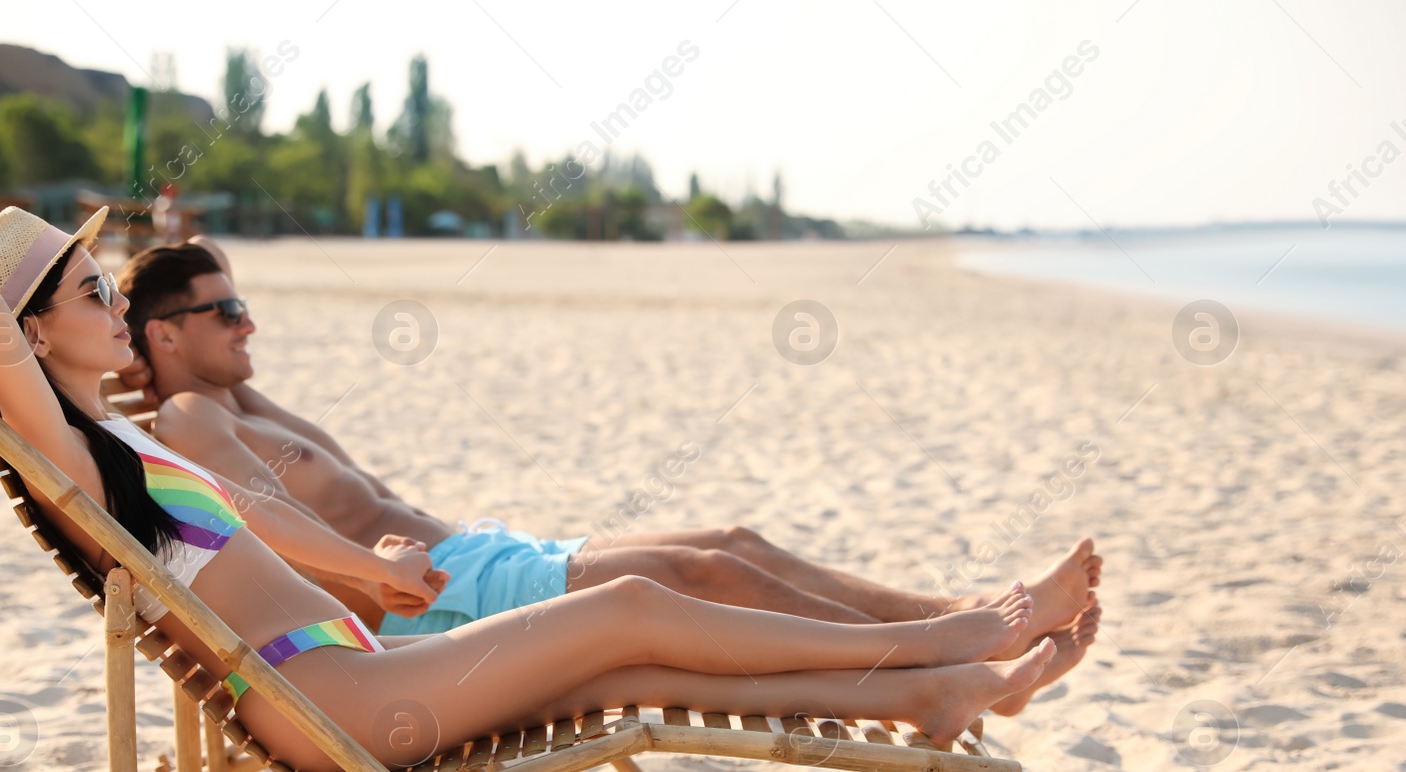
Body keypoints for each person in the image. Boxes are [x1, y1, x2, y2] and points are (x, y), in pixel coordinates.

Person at [0, 206, 1059, 772]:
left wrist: (366, 564)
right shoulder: (74, 450)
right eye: (91, 288)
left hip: (351, 666)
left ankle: (925, 692)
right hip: (322, 697)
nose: (116, 302)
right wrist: (17, 264)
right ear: (33, 331)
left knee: (624, 660)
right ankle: (946, 635)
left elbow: (265, 520)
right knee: (624, 609)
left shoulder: (127, 446)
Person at [114, 239, 1103, 713]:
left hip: (479, 553)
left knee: (730, 547)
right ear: (166, 334)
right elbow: (258, 517)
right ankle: (939, 646)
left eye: (243, 303)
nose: (249, 322)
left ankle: (958, 615)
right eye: (224, 309)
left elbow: (264, 470)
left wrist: (162, 338)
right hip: (436, 599)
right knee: (703, 576)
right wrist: (374, 571)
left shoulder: (231, 401)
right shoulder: (192, 415)